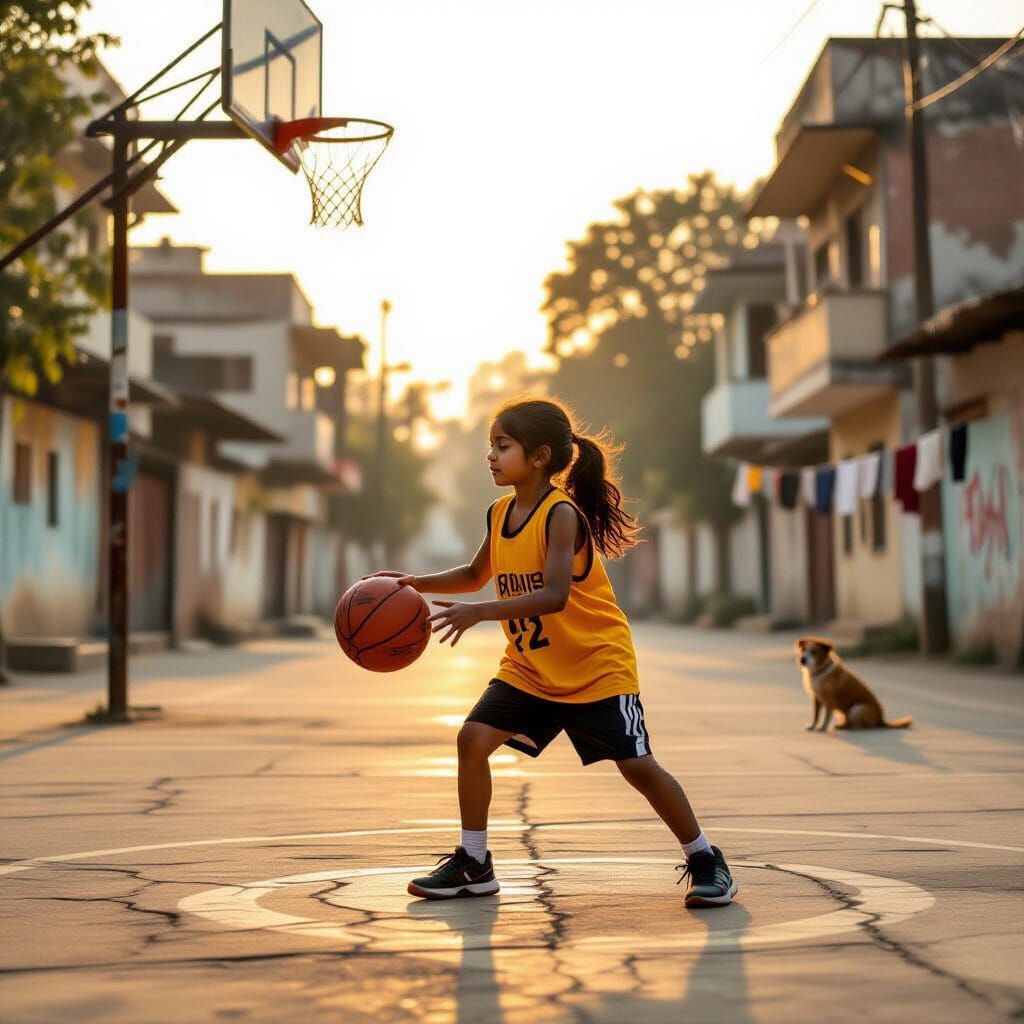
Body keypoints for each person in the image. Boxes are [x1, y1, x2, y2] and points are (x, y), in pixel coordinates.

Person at [365, 397, 737, 908]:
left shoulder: (560, 514)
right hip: (531, 669)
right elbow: (476, 576)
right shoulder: (499, 513)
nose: (491, 457)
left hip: (594, 665)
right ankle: (474, 861)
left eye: (502, 446)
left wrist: (479, 613)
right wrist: (409, 582)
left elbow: (554, 595)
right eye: (489, 447)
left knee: (638, 767)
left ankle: (705, 860)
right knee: (472, 740)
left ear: (539, 457)